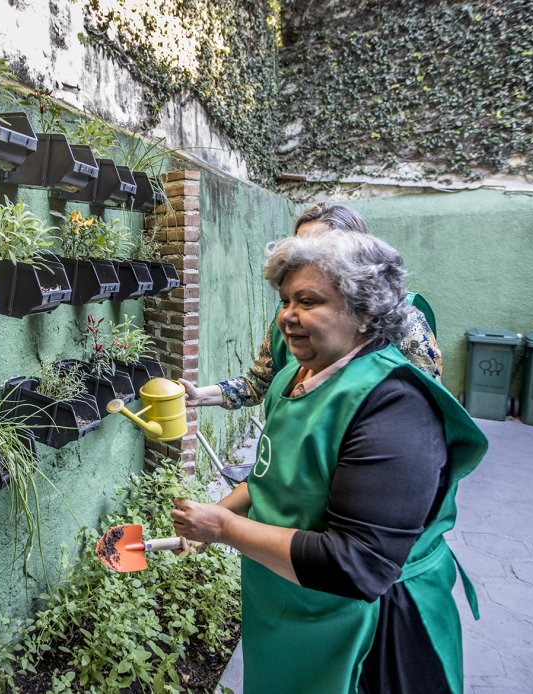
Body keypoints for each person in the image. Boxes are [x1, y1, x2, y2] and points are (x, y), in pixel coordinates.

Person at [171, 231, 487, 694]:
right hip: (292, 607)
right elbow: (269, 476)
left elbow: (358, 564)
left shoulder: (394, 407)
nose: (288, 317)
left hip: (371, 632)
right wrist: (221, 511)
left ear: (365, 313)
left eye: (309, 301)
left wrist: (223, 529)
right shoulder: (292, 378)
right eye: (284, 301)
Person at [181, 202, 442, 410]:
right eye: (298, 245)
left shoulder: (402, 318)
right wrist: (200, 396)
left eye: (320, 246)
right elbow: (257, 383)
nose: (304, 258)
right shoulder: (288, 318)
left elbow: (426, 406)